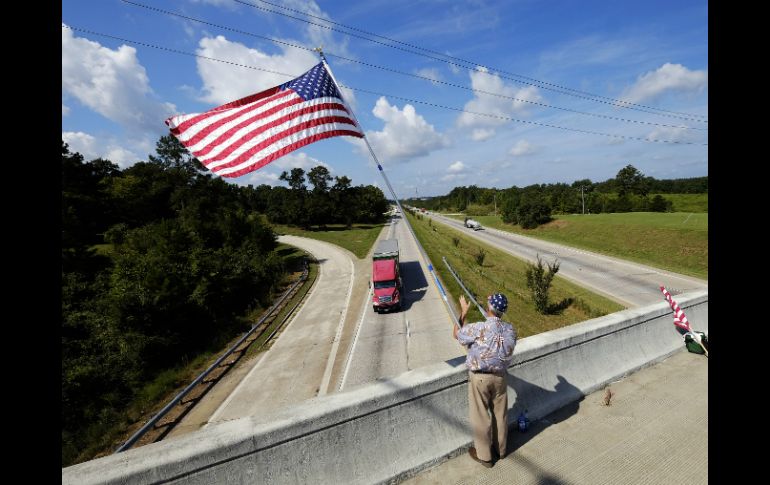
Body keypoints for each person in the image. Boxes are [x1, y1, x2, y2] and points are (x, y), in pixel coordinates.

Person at [453, 293, 517, 468]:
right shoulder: (511, 330)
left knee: (480, 416)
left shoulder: (479, 328)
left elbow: (457, 335)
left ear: (488, 308)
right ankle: (501, 450)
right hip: (501, 378)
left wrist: (463, 312)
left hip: (480, 378)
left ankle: (485, 457)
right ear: (503, 311)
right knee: (500, 415)